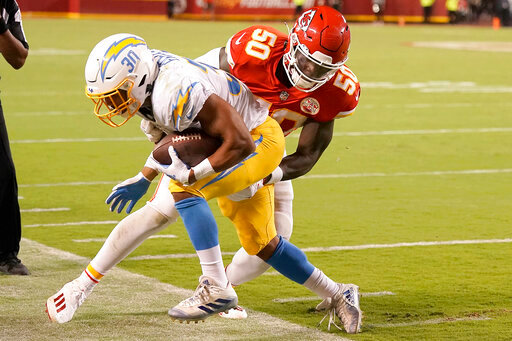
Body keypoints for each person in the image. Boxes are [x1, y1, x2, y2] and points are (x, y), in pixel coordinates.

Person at [46, 6, 362, 334]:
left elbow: (298, 154)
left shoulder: (176, 91)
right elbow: (192, 104)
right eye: (307, 59)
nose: (310, 70)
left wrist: (248, 175)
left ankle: (219, 288)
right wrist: (146, 174)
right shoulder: (240, 57)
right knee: (257, 241)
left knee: (190, 193)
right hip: (227, 137)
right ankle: (337, 293)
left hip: (257, 146)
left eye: (321, 67)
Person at [0, 0, 29, 276]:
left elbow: (18, 58)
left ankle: (6, 254)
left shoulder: (7, 4)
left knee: (3, 173)